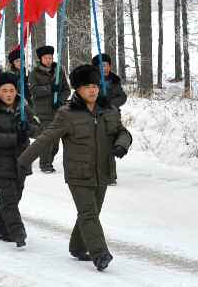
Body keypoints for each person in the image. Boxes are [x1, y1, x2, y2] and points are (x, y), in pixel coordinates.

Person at [19, 65, 132, 271]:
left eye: (96, 86)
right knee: (88, 213)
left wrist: (121, 145)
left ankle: (77, 247)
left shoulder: (109, 110)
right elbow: (46, 138)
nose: (93, 90)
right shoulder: (67, 113)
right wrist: (23, 161)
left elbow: (123, 132)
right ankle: (100, 254)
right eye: (87, 86)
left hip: (104, 171)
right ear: (78, 89)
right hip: (78, 174)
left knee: (91, 212)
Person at [0, 71, 41, 247]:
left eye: (12, 90)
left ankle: (0, 226)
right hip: (0, 161)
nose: (8, 94)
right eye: (4, 90)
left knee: (15, 196)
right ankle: (17, 231)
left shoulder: (23, 107)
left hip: (21, 160)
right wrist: (16, 138)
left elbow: (39, 129)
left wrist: (27, 127)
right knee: (9, 199)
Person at [28, 45, 70, 173]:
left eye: (50, 58)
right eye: (46, 58)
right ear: (41, 59)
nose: (48, 60)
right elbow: (33, 90)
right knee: (47, 139)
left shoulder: (59, 71)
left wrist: (60, 100)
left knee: (55, 142)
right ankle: (45, 164)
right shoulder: (34, 73)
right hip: (43, 111)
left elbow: (66, 90)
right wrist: (50, 88)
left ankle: (48, 159)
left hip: (58, 110)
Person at [92, 53, 127, 186]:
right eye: (101, 66)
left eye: (106, 65)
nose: (104, 68)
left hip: (112, 117)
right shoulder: (92, 81)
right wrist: (99, 101)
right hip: (96, 117)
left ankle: (111, 176)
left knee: (109, 145)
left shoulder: (114, 80)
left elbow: (122, 97)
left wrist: (111, 103)